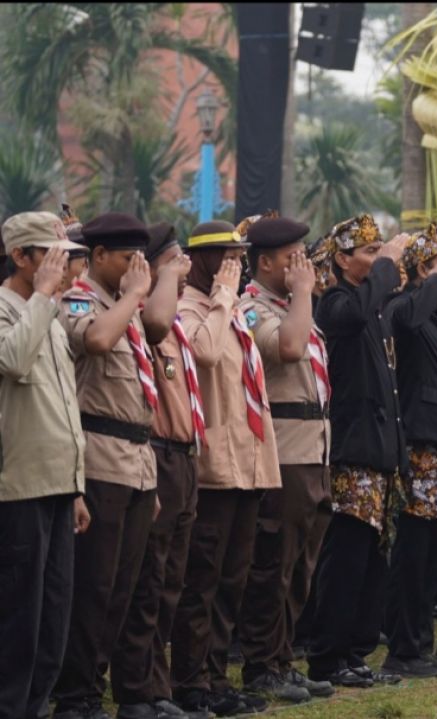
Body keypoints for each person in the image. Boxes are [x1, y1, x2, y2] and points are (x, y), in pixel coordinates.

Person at [170, 219, 287, 714]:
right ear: (202, 259)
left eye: (239, 256)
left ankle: (216, 678)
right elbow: (205, 353)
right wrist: (221, 297)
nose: (235, 265)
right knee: (202, 580)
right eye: (227, 255)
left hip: (248, 464)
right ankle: (191, 682)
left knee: (232, 580)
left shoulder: (232, 309)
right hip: (215, 467)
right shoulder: (188, 307)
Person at [52, 213, 158, 719]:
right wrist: (136, 294)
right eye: (125, 257)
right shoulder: (81, 299)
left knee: (124, 588)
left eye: (141, 257)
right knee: (92, 587)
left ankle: (104, 689)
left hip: (138, 460)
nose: (137, 266)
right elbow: (93, 341)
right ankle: (76, 696)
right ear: (97, 257)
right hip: (98, 459)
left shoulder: (124, 305)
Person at [237, 215, 338, 699]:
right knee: (274, 562)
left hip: (314, 445)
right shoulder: (252, 307)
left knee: (302, 566)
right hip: (284, 448)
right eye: (291, 257)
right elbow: (291, 348)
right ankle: (260, 666)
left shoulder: (290, 304)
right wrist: (304, 292)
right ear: (265, 263)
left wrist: (300, 295)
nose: (302, 264)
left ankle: (282, 656)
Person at [108, 223, 206, 719]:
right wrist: (163, 274)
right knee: (148, 579)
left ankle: (158, 685)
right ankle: (136, 688)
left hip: (182, 457)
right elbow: (156, 322)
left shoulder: (176, 319)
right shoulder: (148, 312)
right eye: (174, 263)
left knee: (171, 580)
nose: (183, 272)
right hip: (158, 452)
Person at [306, 216, 408, 687]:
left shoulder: (375, 307)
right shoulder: (336, 303)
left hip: (381, 451)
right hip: (352, 452)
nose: (377, 260)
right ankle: (327, 656)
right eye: (367, 253)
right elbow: (357, 312)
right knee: (346, 558)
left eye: (378, 251)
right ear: (343, 260)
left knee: (372, 561)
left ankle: (355, 653)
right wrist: (387, 265)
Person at [0, 212, 88, 719]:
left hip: (58, 484)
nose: (62, 265)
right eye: (49, 255)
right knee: (19, 620)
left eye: (65, 255)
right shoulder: (17, 310)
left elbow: (64, 405)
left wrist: (77, 488)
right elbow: (12, 360)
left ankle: (33, 707)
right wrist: (44, 297)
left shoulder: (46, 314)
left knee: (54, 617)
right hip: (19, 487)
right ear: (20, 257)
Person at [381, 223, 437, 677]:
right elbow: (406, 318)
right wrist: (434, 280)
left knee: (434, 549)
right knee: (414, 551)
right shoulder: (404, 306)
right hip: (420, 443)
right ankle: (403, 648)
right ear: (422, 269)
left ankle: (421, 645)